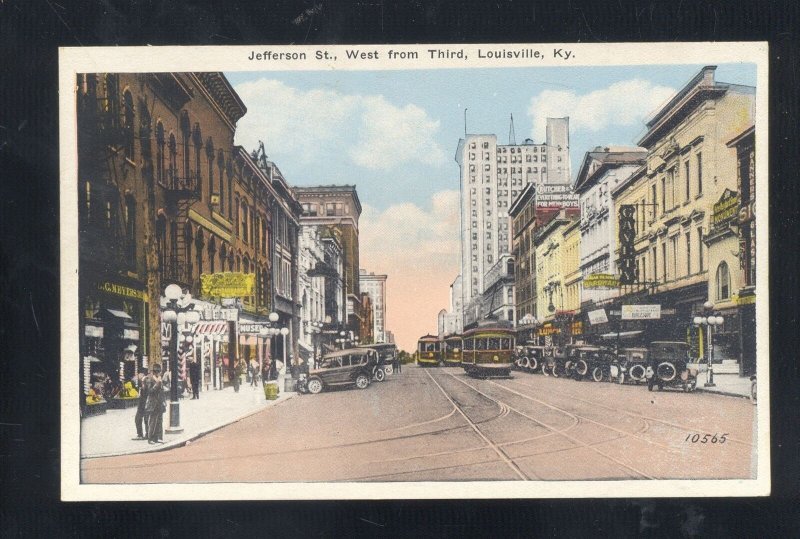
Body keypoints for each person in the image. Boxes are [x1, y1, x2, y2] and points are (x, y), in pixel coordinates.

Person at [145, 363, 166, 444]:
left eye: (159, 372)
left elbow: (162, 391)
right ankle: (150, 439)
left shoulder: (160, 379)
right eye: (156, 372)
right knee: (153, 421)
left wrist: (164, 401)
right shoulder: (149, 379)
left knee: (160, 420)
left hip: (160, 402)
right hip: (153, 402)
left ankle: (158, 437)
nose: (158, 373)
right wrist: (157, 384)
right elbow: (149, 391)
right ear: (153, 372)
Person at [133, 371, 149, 440]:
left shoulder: (146, 379)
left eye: (138, 375)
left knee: (145, 419)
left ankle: (145, 434)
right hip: (142, 403)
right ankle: (143, 434)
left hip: (145, 404)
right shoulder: (141, 380)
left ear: (141, 374)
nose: (137, 376)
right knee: (139, 419)